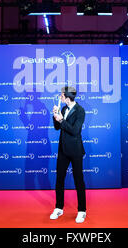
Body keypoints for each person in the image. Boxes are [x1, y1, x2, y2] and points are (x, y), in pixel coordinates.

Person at [50, 86, 87, 223]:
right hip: (63, 150)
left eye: (62, 95)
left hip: (76, 150)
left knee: (79, 180)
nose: (60, 97)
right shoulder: (64, 109)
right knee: (59, 179)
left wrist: (61, 120)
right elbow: (57, 128)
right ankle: (59, 207)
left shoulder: (80, 111)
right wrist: (55, 116)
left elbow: (75, 131)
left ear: (67, 97)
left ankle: (82, 210)